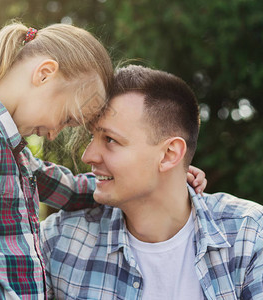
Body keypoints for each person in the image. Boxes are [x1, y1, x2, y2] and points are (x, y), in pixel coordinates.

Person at [0, 22, 204, 298]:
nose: (54, 134)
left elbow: (70, 190)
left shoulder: (9, 150)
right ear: (44, 74)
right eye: (67, 118)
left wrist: (167, 173)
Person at [40, 65, 263, 299]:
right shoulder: (60, 240)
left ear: (169, 154)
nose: (88, 156)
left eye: (110, 139)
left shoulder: (249, 236)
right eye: (91, 137)